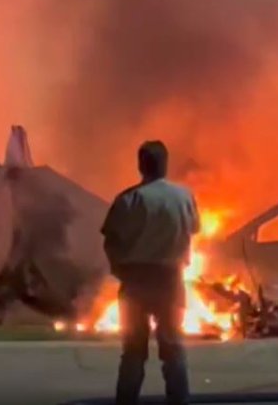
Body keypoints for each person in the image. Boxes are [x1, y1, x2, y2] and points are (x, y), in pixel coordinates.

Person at [102, 141, 201, 405]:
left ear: (140, 165)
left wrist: (119, 268)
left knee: (133, 351)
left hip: (135, 281)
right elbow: (193, 230)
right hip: (170, 279)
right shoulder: (184, 196)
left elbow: (111, 240)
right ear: (165, 163)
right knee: (173, 349)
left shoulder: (129, 199)